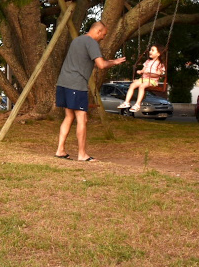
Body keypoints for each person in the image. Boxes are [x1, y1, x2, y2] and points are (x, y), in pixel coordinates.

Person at [55, 22, 126, 162]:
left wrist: (108, 61)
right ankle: (82, 154)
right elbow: (101, 65)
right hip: (76, 84)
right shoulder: (92, 42)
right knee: (82, 118)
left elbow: (86, 61)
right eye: (104, 34)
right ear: (98, 32)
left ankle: (60, 150)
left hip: (63, 83)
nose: (103, 37)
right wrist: (114, 62)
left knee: (69, 116)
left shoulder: (77, 40)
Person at [117, 45, 167, 113]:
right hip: (143, 79)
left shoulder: (160, 64)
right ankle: (126, 102)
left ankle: (137, 104)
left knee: (142, 86)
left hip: (152, 81)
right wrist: (140, 71)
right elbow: (143, 70)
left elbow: (159, 74)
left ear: (158, 54)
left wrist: (150, 73)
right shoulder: (147, 61)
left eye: (152, 50)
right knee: (132, 85)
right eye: (150, 50)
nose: (150, 51)